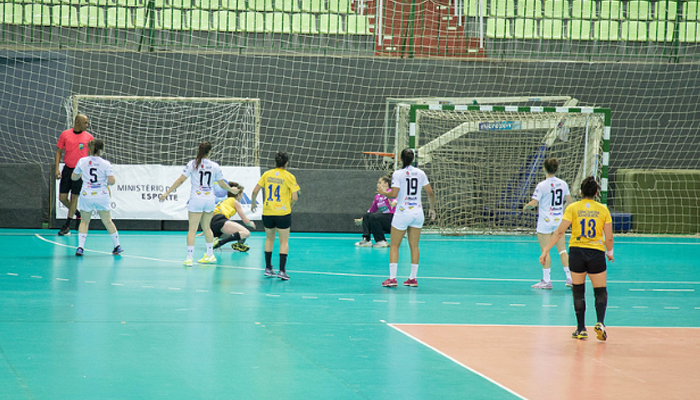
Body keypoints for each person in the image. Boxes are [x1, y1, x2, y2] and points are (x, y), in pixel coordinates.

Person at [540, 176, 614, 341]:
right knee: (600, 291)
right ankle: (600, 322)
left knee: (578, 291)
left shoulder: (573, 208)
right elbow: (608, 237)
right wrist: (609, 252)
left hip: (577, 252)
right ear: (596, 192)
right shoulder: (603, 210)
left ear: (581, 192)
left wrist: (546, 250)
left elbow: (559, 232)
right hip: (595, 252)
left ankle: (581, 329)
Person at [159, 141, 238, 266]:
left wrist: (167, 193)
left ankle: (189, 258)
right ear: (210, 151)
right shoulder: (215, 166)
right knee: (207, 227)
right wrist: (231, 190)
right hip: (209, 199)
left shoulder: (193, 164)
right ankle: (210, 255)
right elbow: (222, 184)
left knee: (192, 229)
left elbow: (180, 180)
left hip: (196, 199)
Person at [377, 148, 436, 288]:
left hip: (403, 213)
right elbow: (430, 192)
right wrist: (432, 208)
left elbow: (394, 194)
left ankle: (392, 278)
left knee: (395, 246)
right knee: (414, 246)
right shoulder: (421, 173)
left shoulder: (398, 174)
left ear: (401, 159)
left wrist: (383, 192)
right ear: (413, 158)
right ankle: (413, 278)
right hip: (417, 213)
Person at [523, 158, 573, 289]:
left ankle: (546, 280)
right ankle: (570, 278)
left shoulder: (541, 185)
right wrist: (560, 211)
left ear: (544, 169)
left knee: (545, 250)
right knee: (562, 250)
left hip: (545, 222)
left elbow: (534, 203)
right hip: (558, 222)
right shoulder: (563, 184)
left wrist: (525, 207)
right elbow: (569, 201)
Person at [251, 151, 300, 281]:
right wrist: (290, 205)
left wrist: (252, 204)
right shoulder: (289, 176)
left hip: (267, 212)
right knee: (283, 241)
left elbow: (255, 191)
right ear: (286, 163)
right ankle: (282, 271)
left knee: (269, 239)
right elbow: (295, 197)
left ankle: (268, 268)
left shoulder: (267, 174)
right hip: (282, 213)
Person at [71, 139, 123, 256]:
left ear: (89, 149)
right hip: (101, 194)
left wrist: (80, 174)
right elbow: (111, 181)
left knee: (84, 221)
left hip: (87, 194)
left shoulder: (82, 161)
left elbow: (74, 177)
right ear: (101, 150)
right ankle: (117, 246)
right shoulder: (105, 163)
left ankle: (80, 247)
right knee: (107, 221)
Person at [55, 114, 94, 236]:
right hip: (67, 170)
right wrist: (57, 168)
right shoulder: (65, 134)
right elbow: (59, 151)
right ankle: (78, 214)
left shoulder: (89, 137)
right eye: (85, 123)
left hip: (80, 172)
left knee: (74, 198)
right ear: (77, 122)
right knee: (62, 197)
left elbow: (92, 155)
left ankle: (67, 225)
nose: (87, 125)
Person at [211, 182, 256, 252]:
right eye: (242, 194)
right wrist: (251, 223)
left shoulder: (224, 201)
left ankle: (238, 245)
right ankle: (220, 242)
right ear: (238, 195)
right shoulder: (235, 201)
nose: (242, 196)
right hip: (220, 221)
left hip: (213, 225)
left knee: (238, 232)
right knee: (246, 233)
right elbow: (246, 221)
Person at [354, 175, 396, 248]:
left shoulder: (390, 192)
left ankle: (381, 241)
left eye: (380, 183)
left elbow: (396, 199)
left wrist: (393, 203)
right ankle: (366, 240)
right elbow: (371, 210)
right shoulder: (377, 197)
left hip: (393, 219)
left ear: (386, 184)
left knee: (374, 217)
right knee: (367, 215)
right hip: (383, 219)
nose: (377, 184)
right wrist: (363, 220)